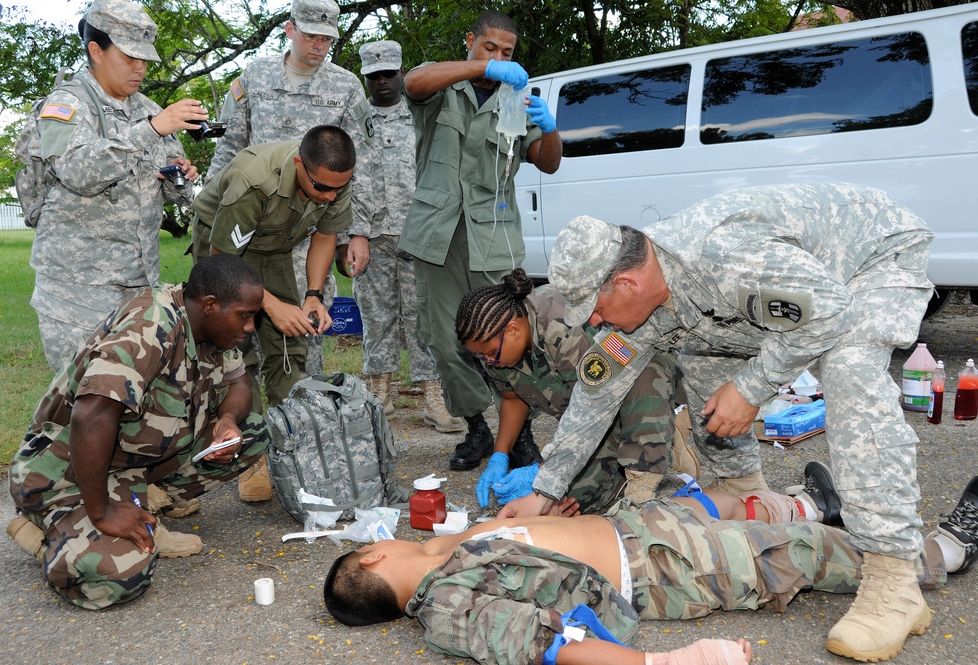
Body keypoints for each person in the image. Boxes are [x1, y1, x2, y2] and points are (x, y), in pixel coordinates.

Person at [517, 183, 935, 662]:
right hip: (798, 288)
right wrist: (546, 488)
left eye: (595, 309)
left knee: (849, 370)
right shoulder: (646, 303)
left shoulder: (720, 258)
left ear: (627, 285)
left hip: (870, 257)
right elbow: (597, 391)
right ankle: (743, 488)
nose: (595, 322)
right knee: (701, 352)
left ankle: (893, 578)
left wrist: (751, 389)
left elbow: (829, 311)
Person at [324, 471, 978, 665]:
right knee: (806, 552)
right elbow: (546, 642)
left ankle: (816, 506)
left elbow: (517, 538)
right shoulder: (444, 606)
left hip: (643, 531)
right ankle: (947, 550)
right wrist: (672, 662)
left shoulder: (444, 554)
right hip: (664, 567)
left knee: (734, 507)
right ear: (374, 556)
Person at [6, 254, 271, 610]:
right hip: (65, 475)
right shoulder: (151, 325)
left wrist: (227, 419)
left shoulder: (213, 328)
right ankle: (51, 538)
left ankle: (142, 508)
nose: (250, 326)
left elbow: (239, 384)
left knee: (250, 433)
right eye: (245, 315)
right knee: (120, 577)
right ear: (210, 305)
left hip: (132, 464)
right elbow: (91, 416)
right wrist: (101, 512)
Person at [399, 10, 563, 472]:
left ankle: (522, 437)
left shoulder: (515, 100)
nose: (498, 58)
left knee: (510, 337)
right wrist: (483, 69)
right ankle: (476, 429)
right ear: (470, 41)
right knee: (446, 340)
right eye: (489, 47)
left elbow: (547, 162)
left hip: (494, 237)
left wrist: (549, 127)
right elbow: (413, 82)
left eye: (506, 53)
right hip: (439, 236)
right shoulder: (443, 89)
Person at [26, 0, 207, 372]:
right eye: (129, 57)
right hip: (78, 288)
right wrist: (154, 128)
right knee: (80, 402)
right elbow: (77, 171)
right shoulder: (67, 104)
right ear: (96, 50)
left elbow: (173, 187)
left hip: (139, 284)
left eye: (145, 59)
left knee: (131, 398)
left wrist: (179, 175)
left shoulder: (147, 108)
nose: (140, 68)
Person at [209, 0, 373, 379]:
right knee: (235, 327)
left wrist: (357, 232)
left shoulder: (346, 86)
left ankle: (304, 414)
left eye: (326, 39)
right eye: (311, 36)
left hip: (309, 231)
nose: (319, 45)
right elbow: (229, 149)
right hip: (249, 223)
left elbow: (359, 166)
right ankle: (242, 419)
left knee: (305, 329)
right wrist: (211, 207)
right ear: (289, 29)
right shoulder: (254, 76)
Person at [191, 125, 355, 502]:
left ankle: (288, 442)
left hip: (276, 247)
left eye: (338, 189)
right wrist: (272, 305)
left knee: (290, 341)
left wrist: (312, 295)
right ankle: (252, 457)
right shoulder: (253, 182)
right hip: (223, 251)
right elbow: (223, 266)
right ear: (299, 163)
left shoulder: (335, 179)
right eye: (322, 189)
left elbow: (326, 235)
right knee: (236, 342)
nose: (330, 196)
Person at [457, 268, 691, 511]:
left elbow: (596, 411)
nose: (487, 361)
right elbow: (513, 396)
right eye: (480, 356)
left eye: (489, 353)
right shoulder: (499, 348)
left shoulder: (564, 329)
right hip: (589, 417)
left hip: (623, 398)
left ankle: (654, 440)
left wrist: (544, 474)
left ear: (514, 330)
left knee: (563, 498)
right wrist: (500, 456)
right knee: (559, 501)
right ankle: (652, 441)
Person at [334, 40, 462, 433]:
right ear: (365, 77)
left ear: (402, 72)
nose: (383, 82)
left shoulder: (422, 111)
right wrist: (348, 235)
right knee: (376, 317)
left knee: (423, 315)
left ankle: (433, 399)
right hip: (368, 235)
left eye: (389, 73)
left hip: (418, 231)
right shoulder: (351, 119)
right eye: (374, 76)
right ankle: (380, 396)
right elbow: (342, 183)